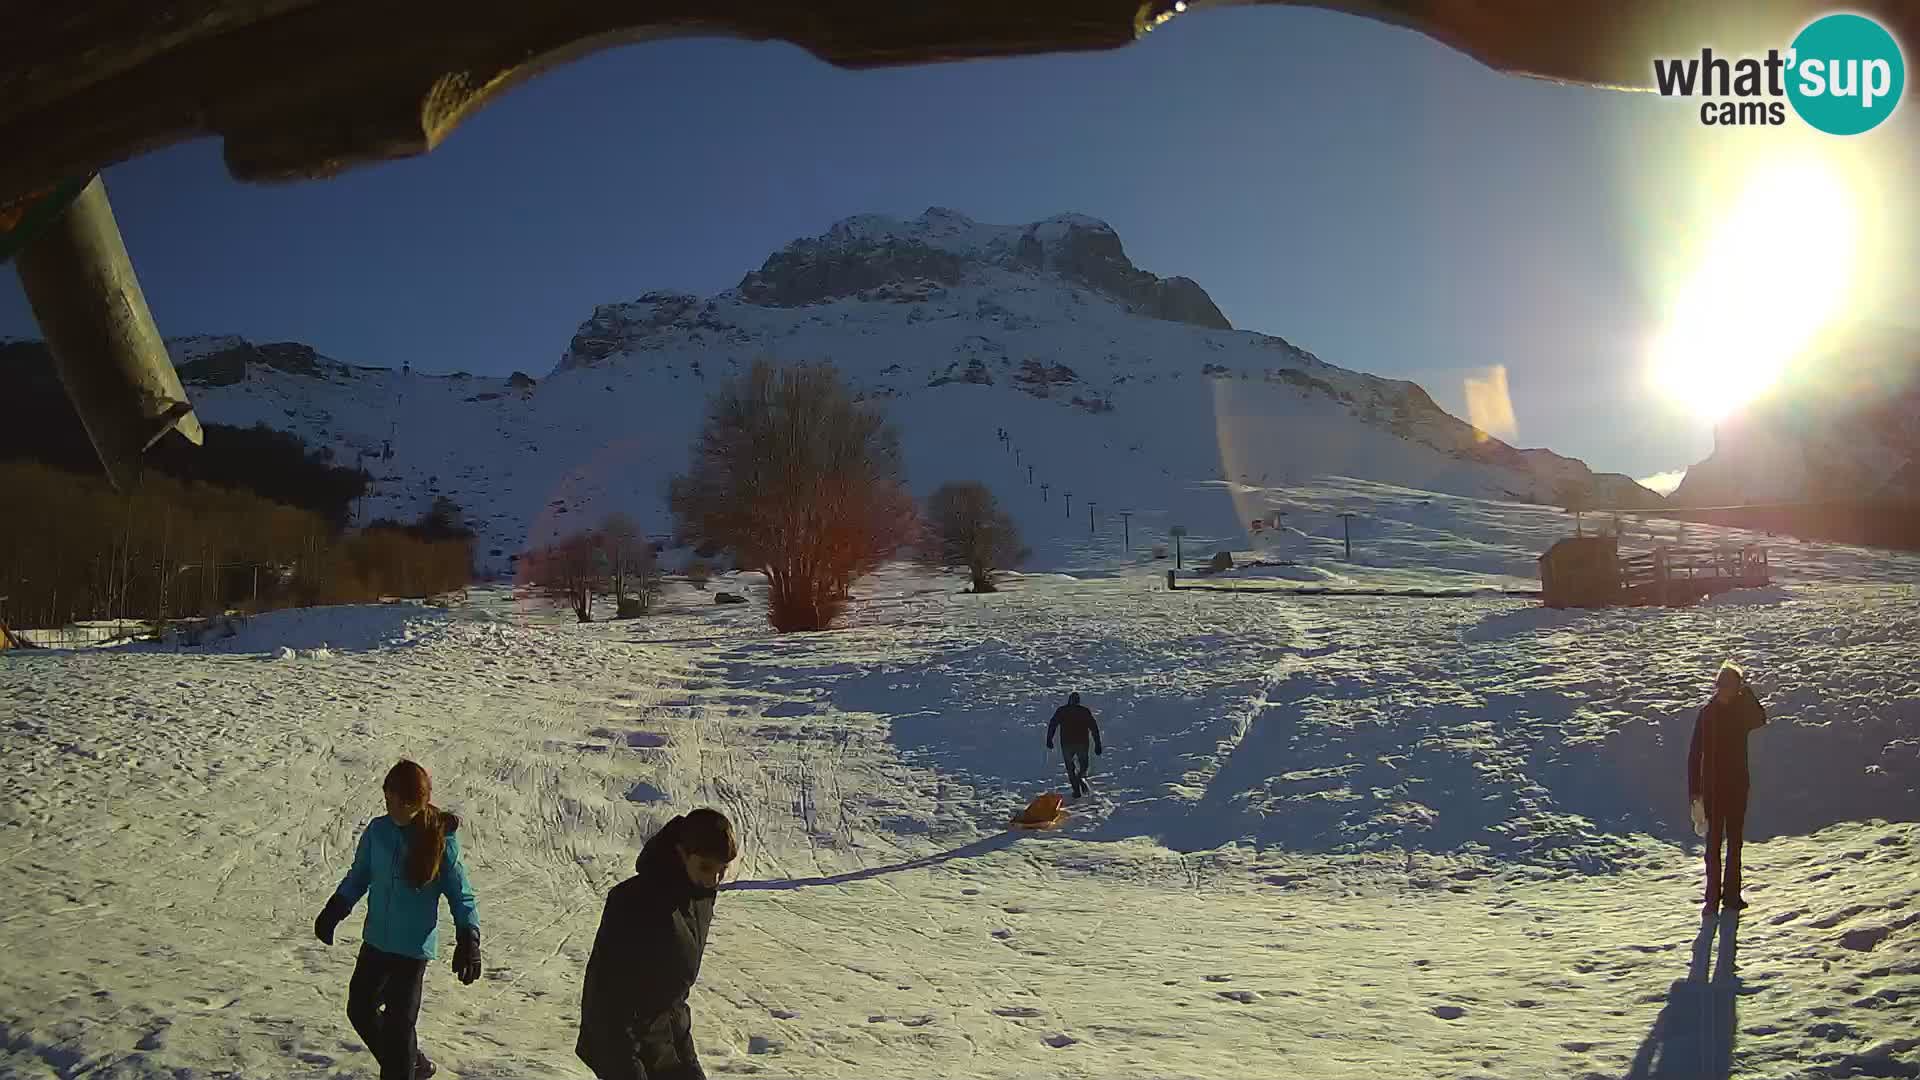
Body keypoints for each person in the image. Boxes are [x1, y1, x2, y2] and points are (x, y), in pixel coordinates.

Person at [314, 760, 482, 1080]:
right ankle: (410, 1064)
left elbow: (461, 894)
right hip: (376, 942)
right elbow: (360, 875)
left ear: (410, 803)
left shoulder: (439, 839)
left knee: (399, 1028)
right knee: (360, 1010)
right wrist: (336, 908)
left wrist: (469, 937)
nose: (386, 804)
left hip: (411, 951)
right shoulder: (378, 831)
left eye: (391, 799)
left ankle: (401, 1067)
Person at [577, 809, 739, 1080]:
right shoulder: (633, 901)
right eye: (706, 867)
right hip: (621, 1048)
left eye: (722, 871)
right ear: (681, 853)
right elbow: (605, 1003)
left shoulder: (698, 898)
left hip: (665, 1045)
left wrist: (688, 1062)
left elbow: (674, 996)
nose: (714, 880)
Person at [1687, 663, 1768, 911]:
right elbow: (1695, 754)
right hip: (1713, 788)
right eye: (1722, 684)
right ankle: (1712, 898)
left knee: (1735, 843)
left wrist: (1748, 693)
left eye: (1731, 685)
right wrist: (1695, 792)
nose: (1724, 689)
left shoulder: (1740, 712)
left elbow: (1761, 719)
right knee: (1713, 845)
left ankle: (1731, 896)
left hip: (1737, 786)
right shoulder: (1707, 714)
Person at [1045, 692, 1104, 799]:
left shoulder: (1062, 711)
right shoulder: (1083, 711)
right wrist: (1097, 744)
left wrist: (1049, 739)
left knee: (1070, 768)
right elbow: (1094, 728)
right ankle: (1079, 780)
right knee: (1083, 766)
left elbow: (1052, 725)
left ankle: (1077, 788)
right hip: (1081, 743)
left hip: (1067, 743)